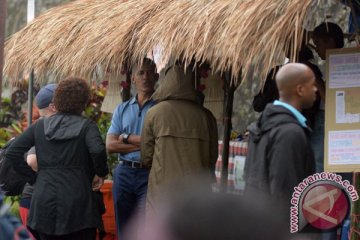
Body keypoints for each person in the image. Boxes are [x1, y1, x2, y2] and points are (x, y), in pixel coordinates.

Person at [6, 77, 108, 240]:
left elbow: (12, 153)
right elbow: (97, 150)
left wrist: (33, 177)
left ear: (57, 100)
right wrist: (100, 172)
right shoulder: (87, 126)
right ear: (83, 102)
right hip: (79, 203)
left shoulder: (39, 126)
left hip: (44, 202)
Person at [140, 64, 218, 217]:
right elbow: (212, 157)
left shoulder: (154, 113)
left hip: (162, 192)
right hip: (197, 193)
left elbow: (146, 157)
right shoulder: (206, 116)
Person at [244, 63, 316, 221]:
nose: (316, 90)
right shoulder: (289, 133)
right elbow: (286, 194)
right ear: (300, 90)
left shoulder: (263, 126)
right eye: (313, 85)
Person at [106, 58, 159, 238]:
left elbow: (160, 143)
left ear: (157, 77)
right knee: (125, 229)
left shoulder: (161, 109)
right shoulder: (122, 109)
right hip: (124, 173)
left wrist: (127, 138)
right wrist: (146, 145)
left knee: (147, 228)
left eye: (150, 73)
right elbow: (111, 145)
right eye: (141, 73)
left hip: (150, 175)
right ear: (133, 79)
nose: (145, 77)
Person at [18, 83, 57, 239]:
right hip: (35, 201)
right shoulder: (43, 127)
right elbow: (32, 161)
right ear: (53, 106)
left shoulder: (44, 125)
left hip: (37, 200)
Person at [311, 22, 344, 173]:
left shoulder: (340, 66)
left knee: (319, 161)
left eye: (318, 44)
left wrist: (316, 82)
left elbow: (331, 103)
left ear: (330, 41)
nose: (316, 50)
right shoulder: (344, 63)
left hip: (327, 121)